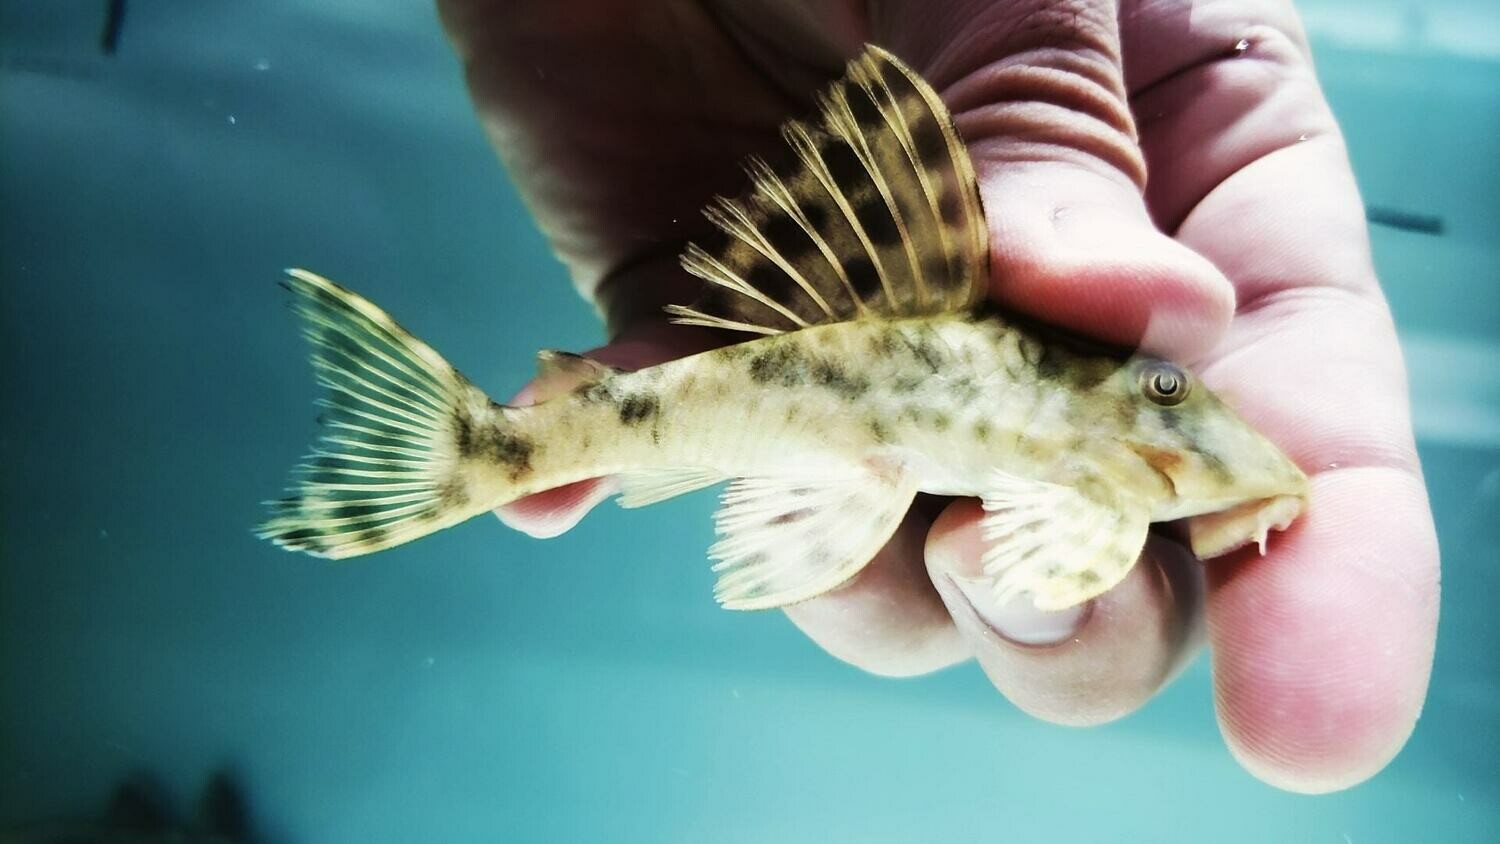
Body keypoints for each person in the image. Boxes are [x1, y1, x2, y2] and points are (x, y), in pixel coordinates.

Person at [436, 0, 1439, 793]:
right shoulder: (1110, 434)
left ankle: (490, 450)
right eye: (1165, 386)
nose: (1172, 400)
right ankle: (484, 450)